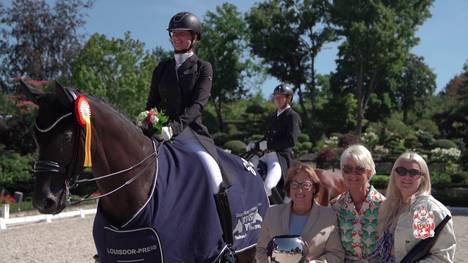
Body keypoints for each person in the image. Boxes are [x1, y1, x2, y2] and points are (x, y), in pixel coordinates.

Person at [145, 11, 232, 193]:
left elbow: (198, 104)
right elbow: (152, 104)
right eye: (174, 33)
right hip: (161, 135)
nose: (177, 37)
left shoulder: (203, 67)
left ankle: (225, 221)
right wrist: (147, 123)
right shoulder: (161, 69)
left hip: (191, 134)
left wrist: (174, 128)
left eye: (182, 33)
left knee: (214, 176)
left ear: (195, 37)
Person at [370, 152, 456, 262]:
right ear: (394, 175)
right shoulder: (391, 205)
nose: (406, 176)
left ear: (423, 178)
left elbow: (440, 256)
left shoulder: (423, 212)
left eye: (414, 172)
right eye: (401, 171)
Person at [256, 162, 345, 262]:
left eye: (306, 185)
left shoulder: (328, 216)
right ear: (289, 188)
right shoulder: (272, 213)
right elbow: (261, 250)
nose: (299, 190)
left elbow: (337, 254)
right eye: (294, 185)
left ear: (314, 188)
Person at [330, 144, 386, 262]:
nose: (352, 175)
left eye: (359, 169)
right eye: (347, 169)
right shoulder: (335, 206)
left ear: (369, 172)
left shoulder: (385, 206)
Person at [248, 84, 302, 197]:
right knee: (248, 175)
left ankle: (281, 210)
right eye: (275, 96)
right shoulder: (273, 117)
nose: (276, 99)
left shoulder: (292, 116)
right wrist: (255, 145)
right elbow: (267, 138)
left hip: (278, 158)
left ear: (288, 98)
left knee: (268, 186)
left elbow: (291, 140)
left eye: (280, 97)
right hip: (265, 156)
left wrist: (268, 145)